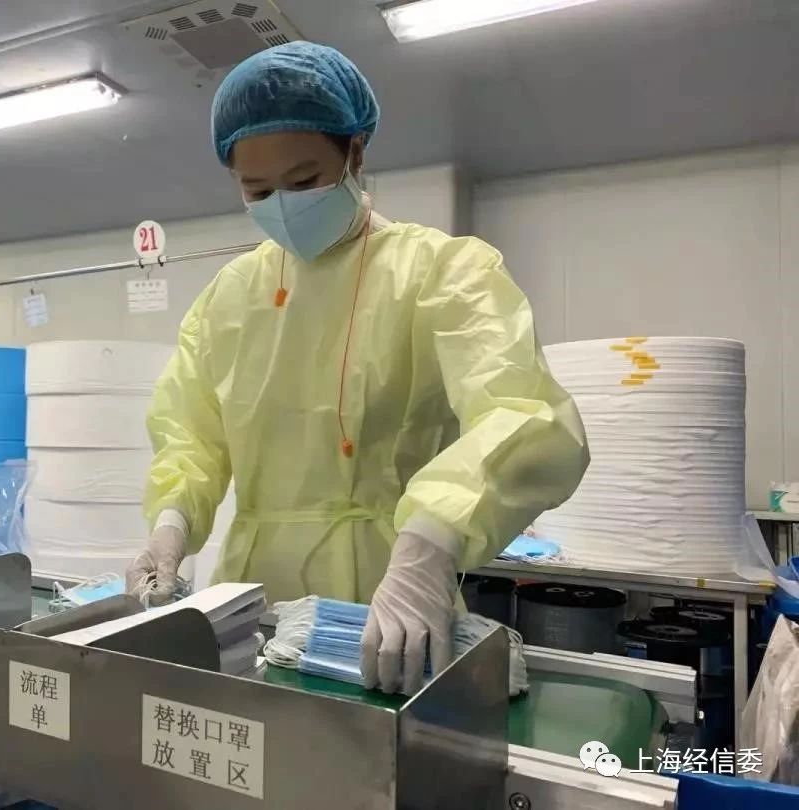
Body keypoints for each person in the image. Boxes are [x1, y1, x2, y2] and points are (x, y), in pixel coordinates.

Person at [126, 41, 589, 695]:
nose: (283, 204)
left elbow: (525, 415)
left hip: (390, 601)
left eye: (304, 182)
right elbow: (190, 436)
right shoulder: (227, 299)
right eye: (258, 190)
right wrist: (171, 525)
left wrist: (431, 541)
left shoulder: (442, 273)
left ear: (356, 153)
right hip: (252, 606)